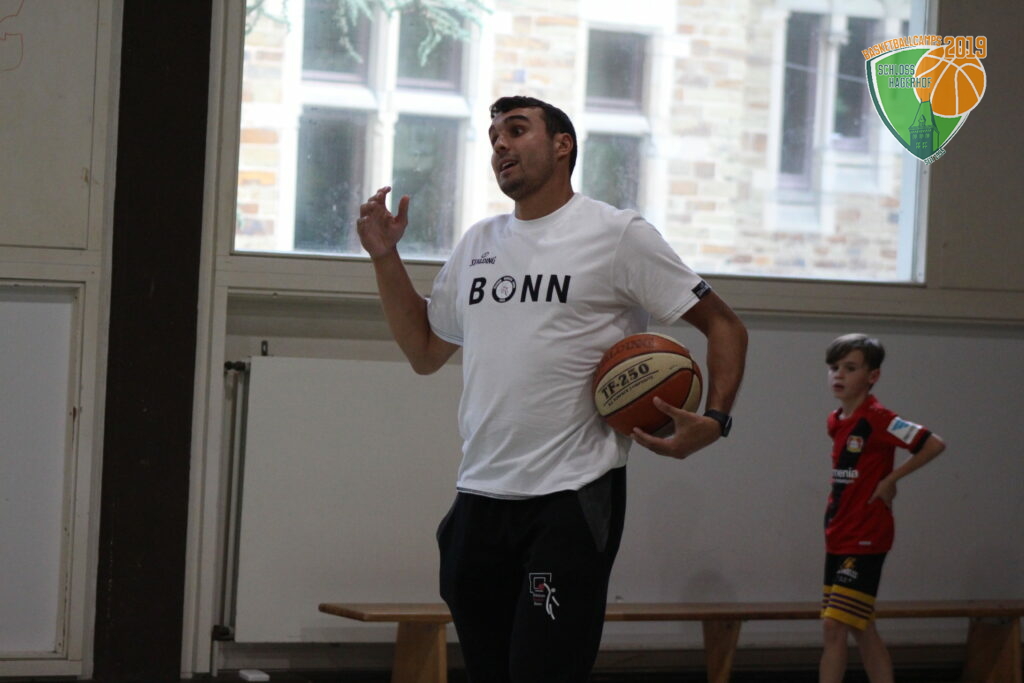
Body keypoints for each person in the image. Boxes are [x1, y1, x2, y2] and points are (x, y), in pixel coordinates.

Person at [357, 95, 748, 682]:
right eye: (495, 137)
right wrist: (386, 258)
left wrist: (715, 419)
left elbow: (725, 324)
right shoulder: (478, 243)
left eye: (517, 130)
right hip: (479, 497)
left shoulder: (617, 234)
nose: (501, 145)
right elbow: (425, 351)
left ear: (563, 145)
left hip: (571, 497)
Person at [819, 334, 946, 683]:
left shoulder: (879, 418)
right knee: (860, 625)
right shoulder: (835, 420)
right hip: (838, 532)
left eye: (850, 368)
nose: (839, 374)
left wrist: (891, 479)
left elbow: (933, 444)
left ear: (872, 376)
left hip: (866, 535)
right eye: (834, 367)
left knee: (834, 626)